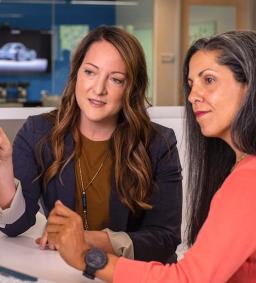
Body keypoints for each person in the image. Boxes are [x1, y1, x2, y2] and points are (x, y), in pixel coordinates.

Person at [45, 30, 256, 282]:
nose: (192, 96)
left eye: (208, 80)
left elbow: (188, 279)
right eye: (190, 85)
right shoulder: (239, 169)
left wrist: (86, 258)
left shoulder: (248, 179)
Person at [0, 25, 182, 263]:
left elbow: (164, 239)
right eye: (90, 72)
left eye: (115, 79)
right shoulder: (38, 132)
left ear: (131, 89)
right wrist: (1, 166)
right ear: (76, 74)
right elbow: (13, 225)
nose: (98, 89)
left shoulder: (158, 143)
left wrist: (85, 239)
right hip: (64, 272)